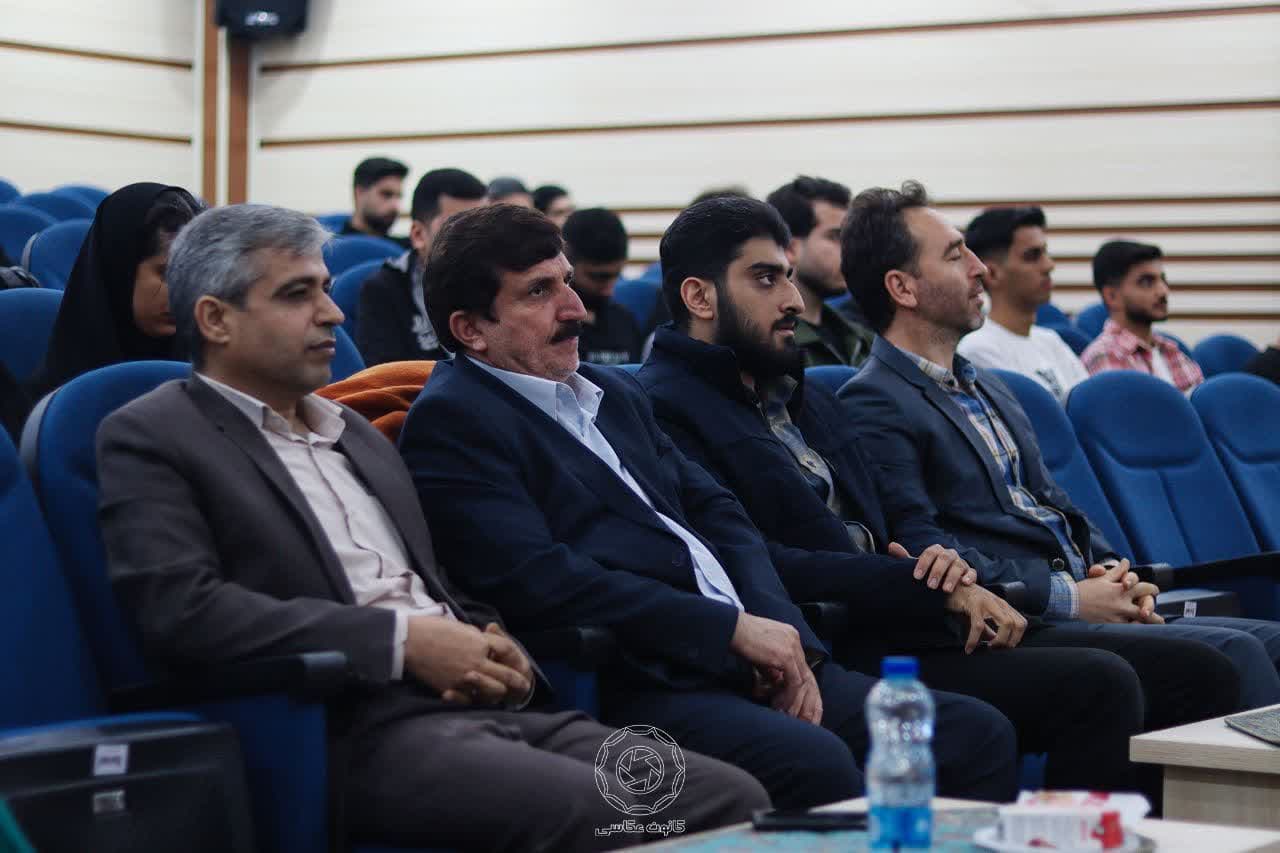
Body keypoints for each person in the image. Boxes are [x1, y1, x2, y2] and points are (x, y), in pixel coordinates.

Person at [97, 203, 767, 851]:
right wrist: (402, 643)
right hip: (346, 724)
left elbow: (432, 579)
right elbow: (183, 610)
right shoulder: (153, 434)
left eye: (326, 288)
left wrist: (489, 635)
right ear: (215, 318)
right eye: (298, 294)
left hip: (480, 704)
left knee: (727, 796)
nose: (332, 312)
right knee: (603, 812)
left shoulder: (354, 432)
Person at [399, 204, 1019, 810]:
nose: (576, 309)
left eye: (567, 281)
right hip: (640, 677)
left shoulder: (612, 393)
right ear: (470, 329)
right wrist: (728, 633)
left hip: (753, 650)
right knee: (815, 761)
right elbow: (545, 582)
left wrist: (785, 640)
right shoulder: (456, 421)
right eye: (539, 292)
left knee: (971, 734)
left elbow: (723, 518)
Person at [636, 196, 1152, 792]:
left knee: (1117, 677)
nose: (794, 300)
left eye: (789, 276)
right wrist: (920, 585)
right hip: (829, 640)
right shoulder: (661, 408)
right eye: (765, 279)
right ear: (699, 298)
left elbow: (906, 520)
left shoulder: (806, 395)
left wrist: (950, 570)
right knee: (1048, 704)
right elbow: (753, 560)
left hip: (903, 619)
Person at [836, 181, 1278, 712]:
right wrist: (1070, 598)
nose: (979, 268)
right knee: (1232, 655)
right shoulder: (873, 401)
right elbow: (924, 548)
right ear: (903, 288)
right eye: (955, 255)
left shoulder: (989, 385)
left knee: (1272, 642)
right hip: (1016, 617)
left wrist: (1115, 573)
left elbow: (1054, 502)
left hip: (1074, 595)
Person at [29, 182, 203, 399]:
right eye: (167, 273)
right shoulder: (59, 400)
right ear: (120, 270)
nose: (182, 292)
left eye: (192, 273)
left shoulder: (210, 370)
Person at [957, 206, 1088, 404]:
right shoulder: (978, 350)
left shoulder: (1052, 341)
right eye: (1033, 256)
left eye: (1045, 253)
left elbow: (1088, 409)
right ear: (992, 273)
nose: (1049, 265)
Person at [356, 168, 487, 365]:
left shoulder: (499, 282)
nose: (475, 242)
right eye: (458, 229)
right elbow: (388, 379)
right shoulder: (384, 290)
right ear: (418, 235)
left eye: (483, 228)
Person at [765, 177, 873, 367]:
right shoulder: (767, 345)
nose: (850, 250)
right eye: (836, 237)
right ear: (790, 249)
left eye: (851, 238)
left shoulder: (863, 339)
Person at [1080, 240, 1204, 394]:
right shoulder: (1104, 356)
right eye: (1147, 282)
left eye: (1163, 279)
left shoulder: (1169, 349)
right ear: (1112, 296)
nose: (1163, 291)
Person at [562, 208, 642, 366]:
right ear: (567, 263)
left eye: (616, 275)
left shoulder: (625, 322)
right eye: (597, 277)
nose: (609, 289)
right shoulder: (549, 327)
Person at [342, 157, 409, 248]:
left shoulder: (408, 250)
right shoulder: (330, 250)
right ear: (359, 193)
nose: (395, 206)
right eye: (386, 194)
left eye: (399, 197)